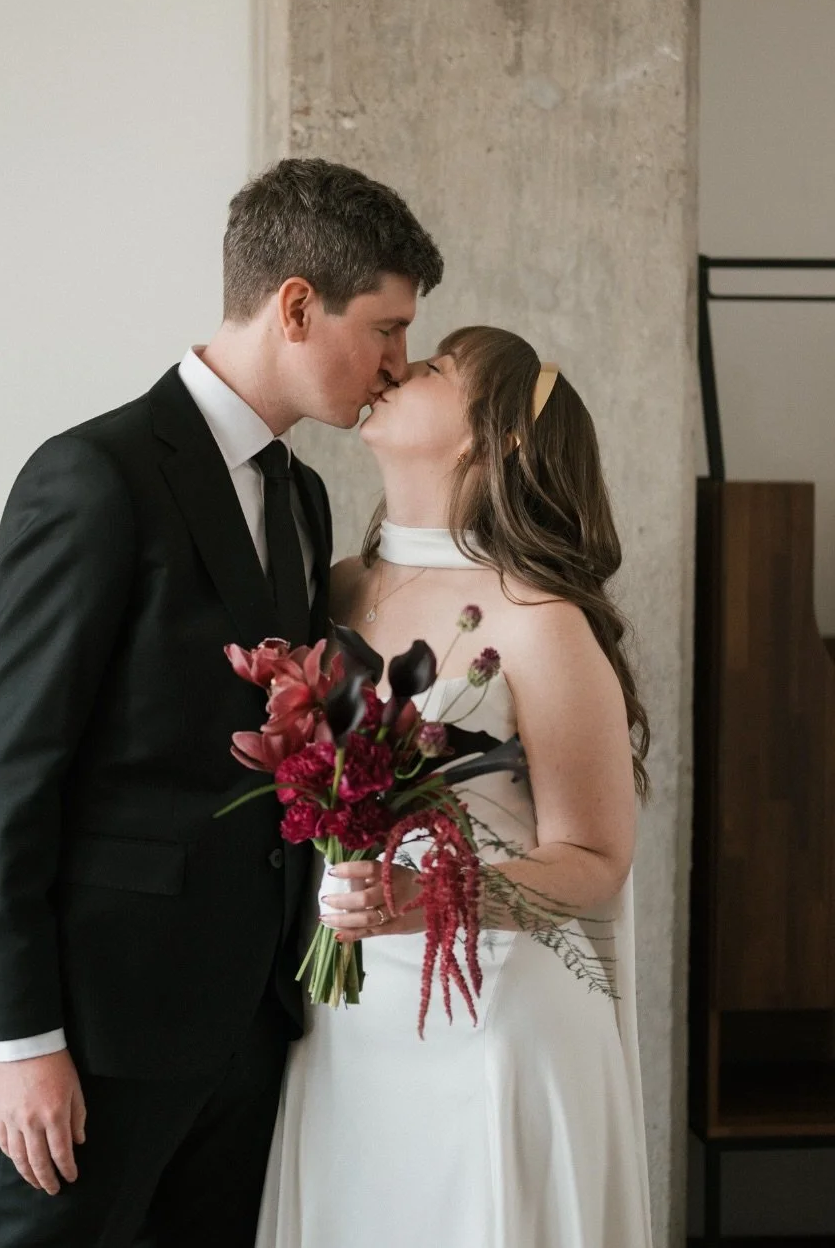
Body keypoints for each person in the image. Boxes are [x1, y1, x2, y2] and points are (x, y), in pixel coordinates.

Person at [0, 156, 443, 1247]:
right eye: (387, 328)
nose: (399, 365)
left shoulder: (306, 497)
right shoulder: (95, 476)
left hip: (254, 1025)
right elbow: (2, 769)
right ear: (298, 306)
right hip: (98, 1033)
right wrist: (21, 1038)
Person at [256, 326, 654, 1248]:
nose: (396, 366)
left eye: (432, 367)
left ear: (494, 439)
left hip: (486, 1016)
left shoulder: (534, 616)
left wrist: (430, 898)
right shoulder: (334, 587)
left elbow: (597, 858)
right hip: (344, 1019)